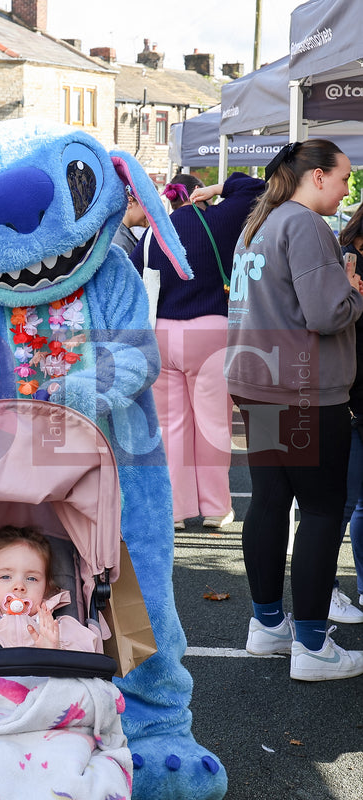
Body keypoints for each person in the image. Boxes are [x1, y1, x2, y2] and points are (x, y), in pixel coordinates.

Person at [225, 139, 363, 681]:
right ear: (318, 176)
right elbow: (328, 313)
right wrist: (353, 290)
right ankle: (311, 645)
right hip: (304, 389)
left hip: (258, 382)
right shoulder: (305, 224)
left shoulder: (259, 221)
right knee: (321, 512)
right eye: (345, 177)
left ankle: (268, 625)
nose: (348, 188)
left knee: (269, 501)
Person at [130, 171, 265, 529]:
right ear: (199, 194)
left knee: (171, 426)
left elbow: (131, 276)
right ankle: (216, 507)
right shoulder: (220, 220)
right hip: (210, 333)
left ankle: (175, 509)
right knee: (212, 423)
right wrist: (220, 188)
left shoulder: (153, 234)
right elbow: (256, 187)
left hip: (161, 333)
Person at [0, 525, 101, 653]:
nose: (19, 586)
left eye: (31, 578)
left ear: (46, 588)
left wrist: (55, 650)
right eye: (5, 577)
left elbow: (91, 668)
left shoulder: (61, 628)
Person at [329, 202, 363, 622]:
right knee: (338, 502)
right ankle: (325, 591)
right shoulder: (344, 259)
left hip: (345, 392)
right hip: (345, 395)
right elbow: (332, 318)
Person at [111, 184, 148, 254]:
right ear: (130, 202)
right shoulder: (118, 240)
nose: (149, 213)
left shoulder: (120, 233)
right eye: (146, 206)